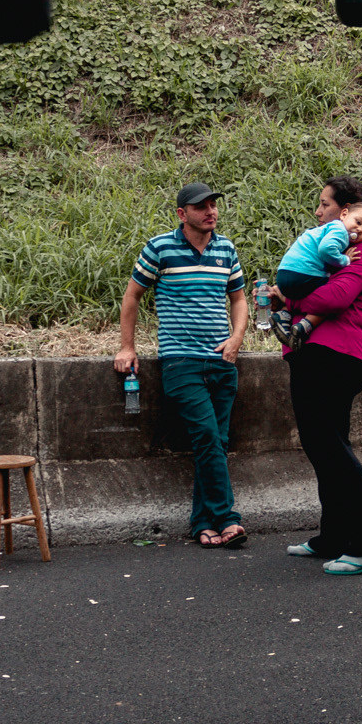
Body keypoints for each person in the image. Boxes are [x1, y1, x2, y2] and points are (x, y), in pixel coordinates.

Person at [115, 182, 251, 548]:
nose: (211, 212)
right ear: (182, 214)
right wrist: (127, 347)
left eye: (213, 205)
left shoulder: (226, 248)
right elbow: (132, 296)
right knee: (207, 437)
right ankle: (228, 518)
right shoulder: (161, 248)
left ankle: (202, 524)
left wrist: (237, 337)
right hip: (181, 361)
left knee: (216, 443)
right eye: (201, 207)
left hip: (222, 360)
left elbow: (238, 300)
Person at [267, 177, 362, 575]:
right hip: (325, 356)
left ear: (345, 210)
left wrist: (290, 299)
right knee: (326, 448)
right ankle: (333, 537)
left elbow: (336, 298)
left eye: (324, 205)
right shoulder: (343, 249)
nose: (318, 212)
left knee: (329, 448)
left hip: (335, 358)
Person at [270, 204, 362, 349]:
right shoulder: (340, 232)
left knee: (306, 291)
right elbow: (325, 249)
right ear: (344, 214)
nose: (359, 230)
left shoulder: (326, 229)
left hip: (286, 271)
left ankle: (284, 314)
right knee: (328, 289)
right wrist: (344, 260)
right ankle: (307, 323)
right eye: (358, 222)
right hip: (303, 273)